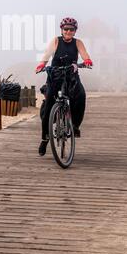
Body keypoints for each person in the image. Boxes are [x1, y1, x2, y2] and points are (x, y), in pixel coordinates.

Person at [35, 17, 93, 156]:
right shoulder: (56, 41)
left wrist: (87, 60)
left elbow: (85, 55)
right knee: (48, 107)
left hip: (71, 76)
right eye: (66, 29)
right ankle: (45, 139)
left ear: (75, 31)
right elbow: (47, 55)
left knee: (81, 96)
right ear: (61, 30)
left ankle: (75, 126)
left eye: (71, 29)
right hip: (55, 76)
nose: (68, 31)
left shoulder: (78, 43)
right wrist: (42, 64)